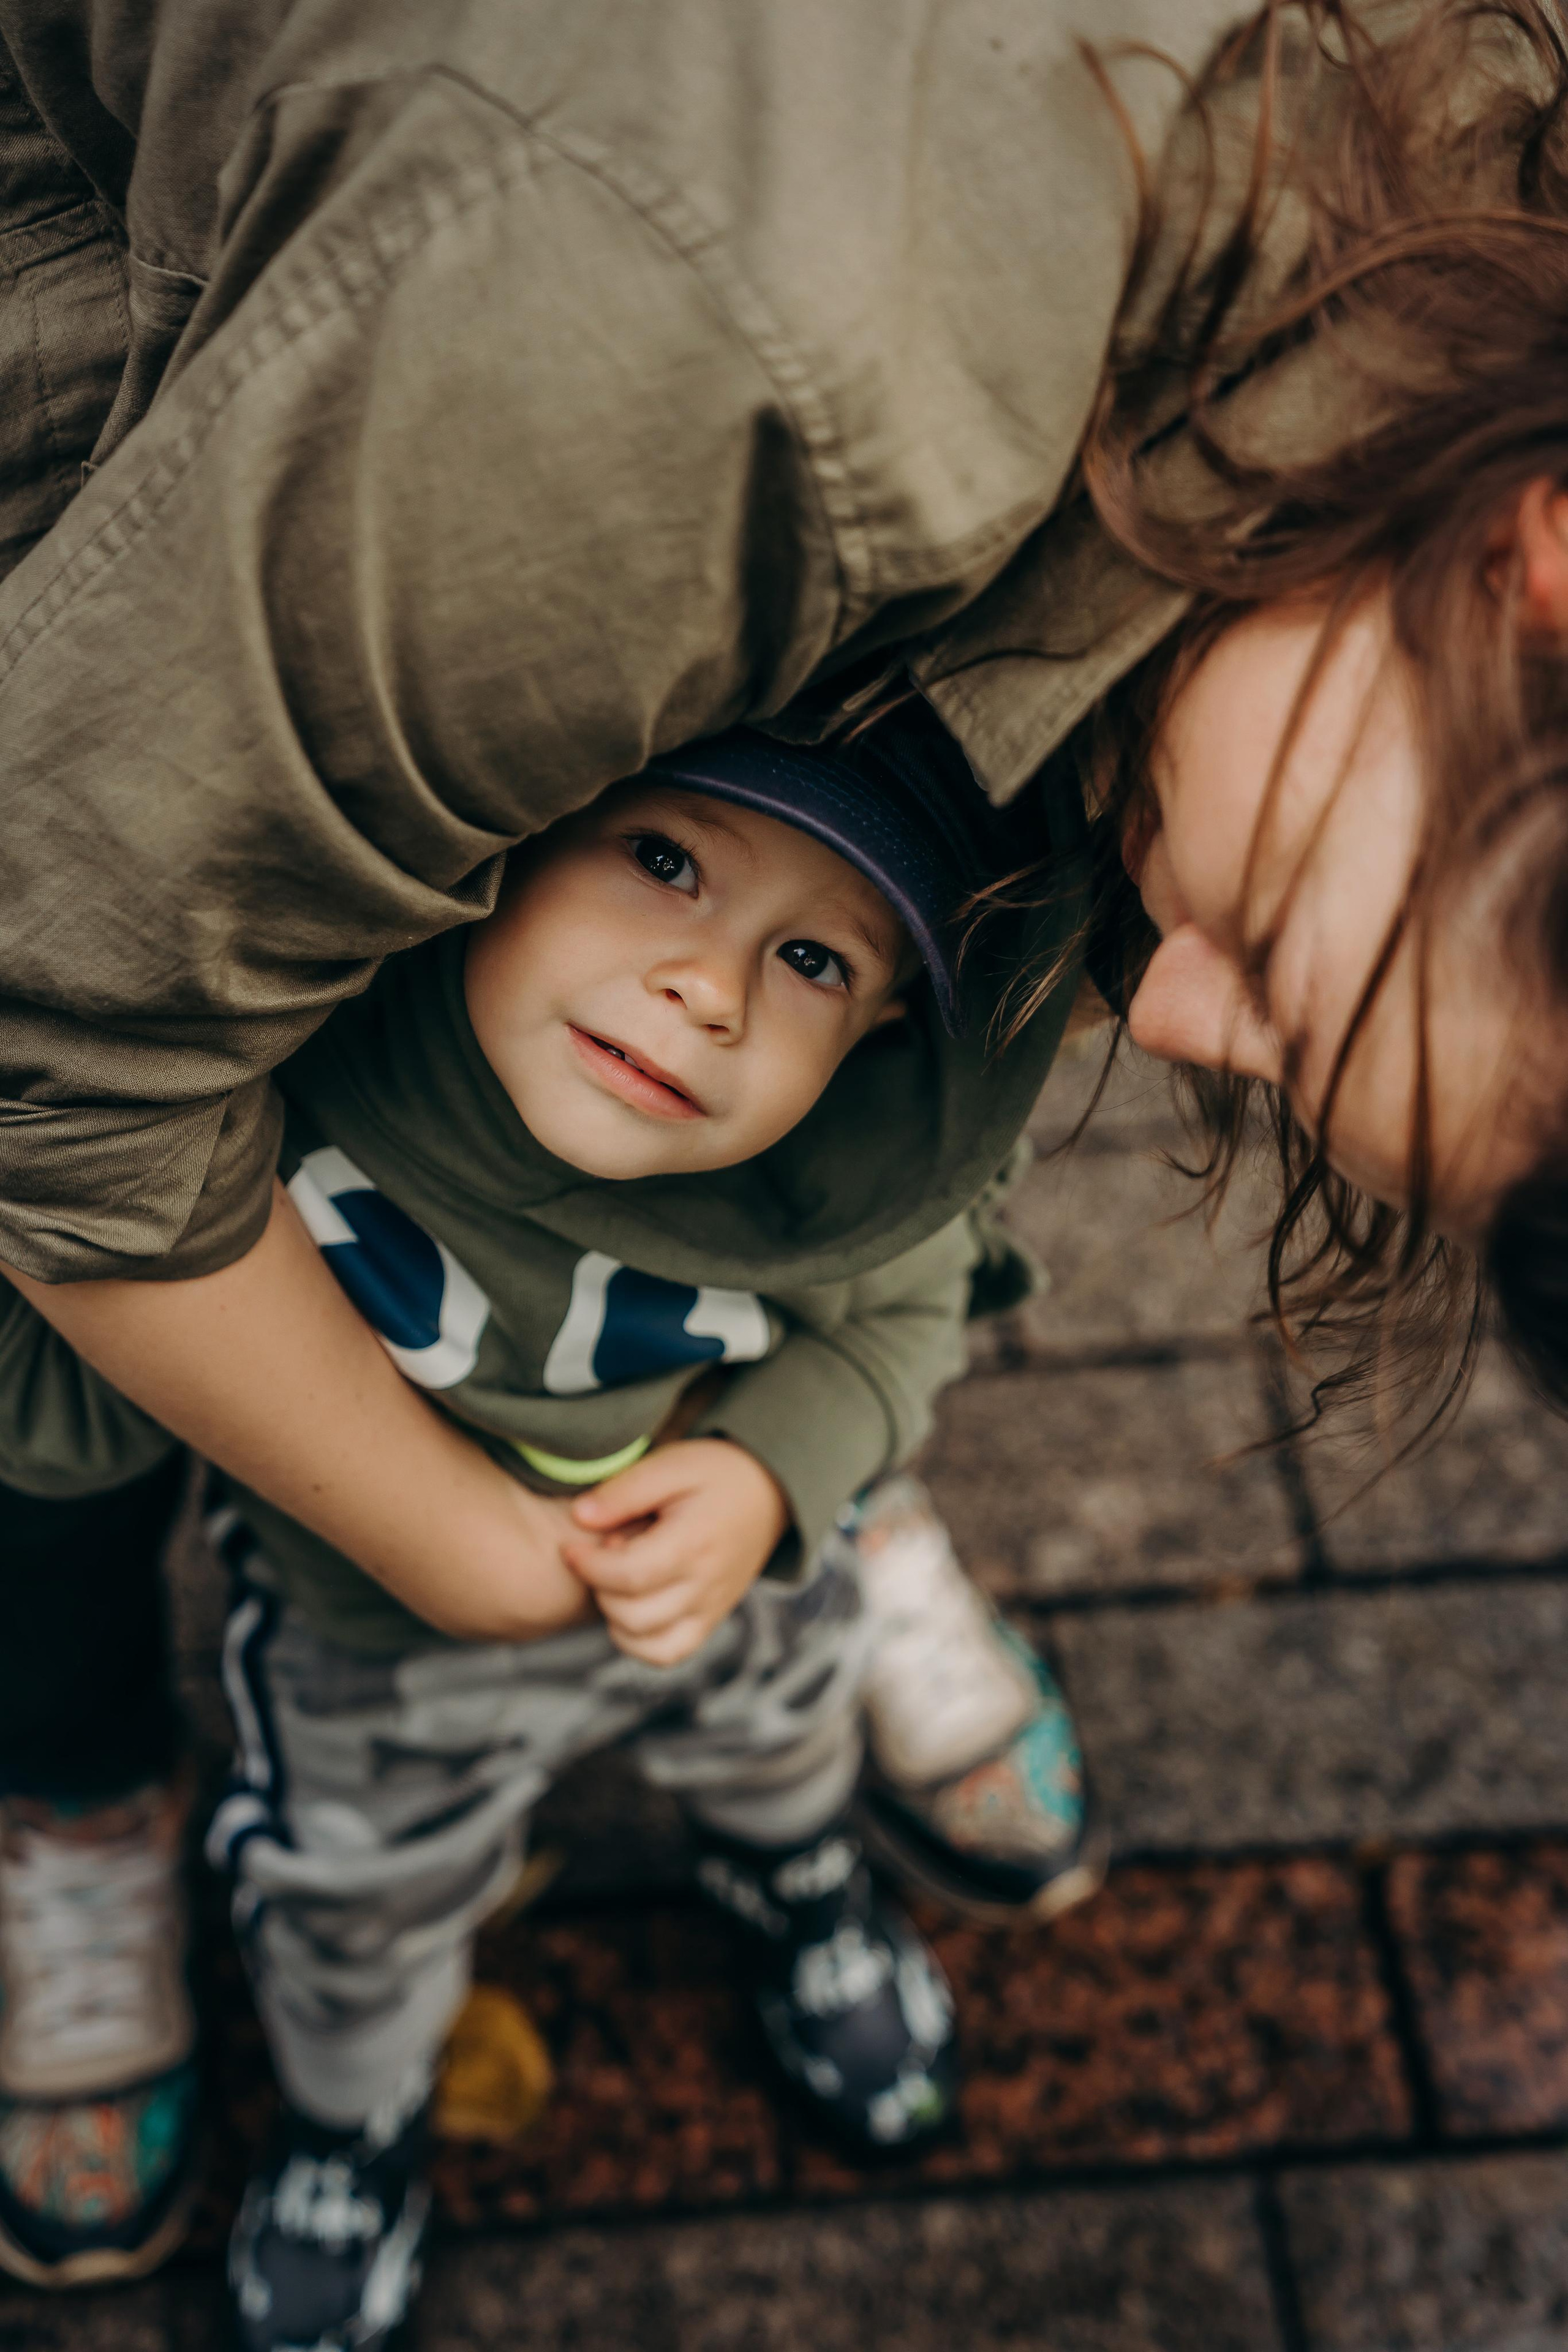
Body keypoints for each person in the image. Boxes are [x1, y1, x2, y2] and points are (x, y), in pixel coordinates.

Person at [4, 0, 1568, 2307]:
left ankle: (830, 1599)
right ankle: (76, 1800)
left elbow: (905, 1235)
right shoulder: (692, 366)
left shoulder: (1392, 350)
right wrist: (467, 1545)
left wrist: (794, 1450)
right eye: (1290, 971)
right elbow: (58, 1038)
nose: (1157, 1014)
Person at [0, 703, 1088, 2345]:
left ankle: (798, 1894)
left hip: (737, 1592)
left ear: (872, 1040)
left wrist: (778, 1473)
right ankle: (352, 2126)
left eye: (814, 964)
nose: (709, 987)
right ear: (500, 852)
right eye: (663, 861)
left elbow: (906, 1308)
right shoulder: (295, 1096)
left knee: (788, 1749)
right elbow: (82, 1385)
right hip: (373, 1656)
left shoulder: (820, 1180)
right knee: (353, 1911)